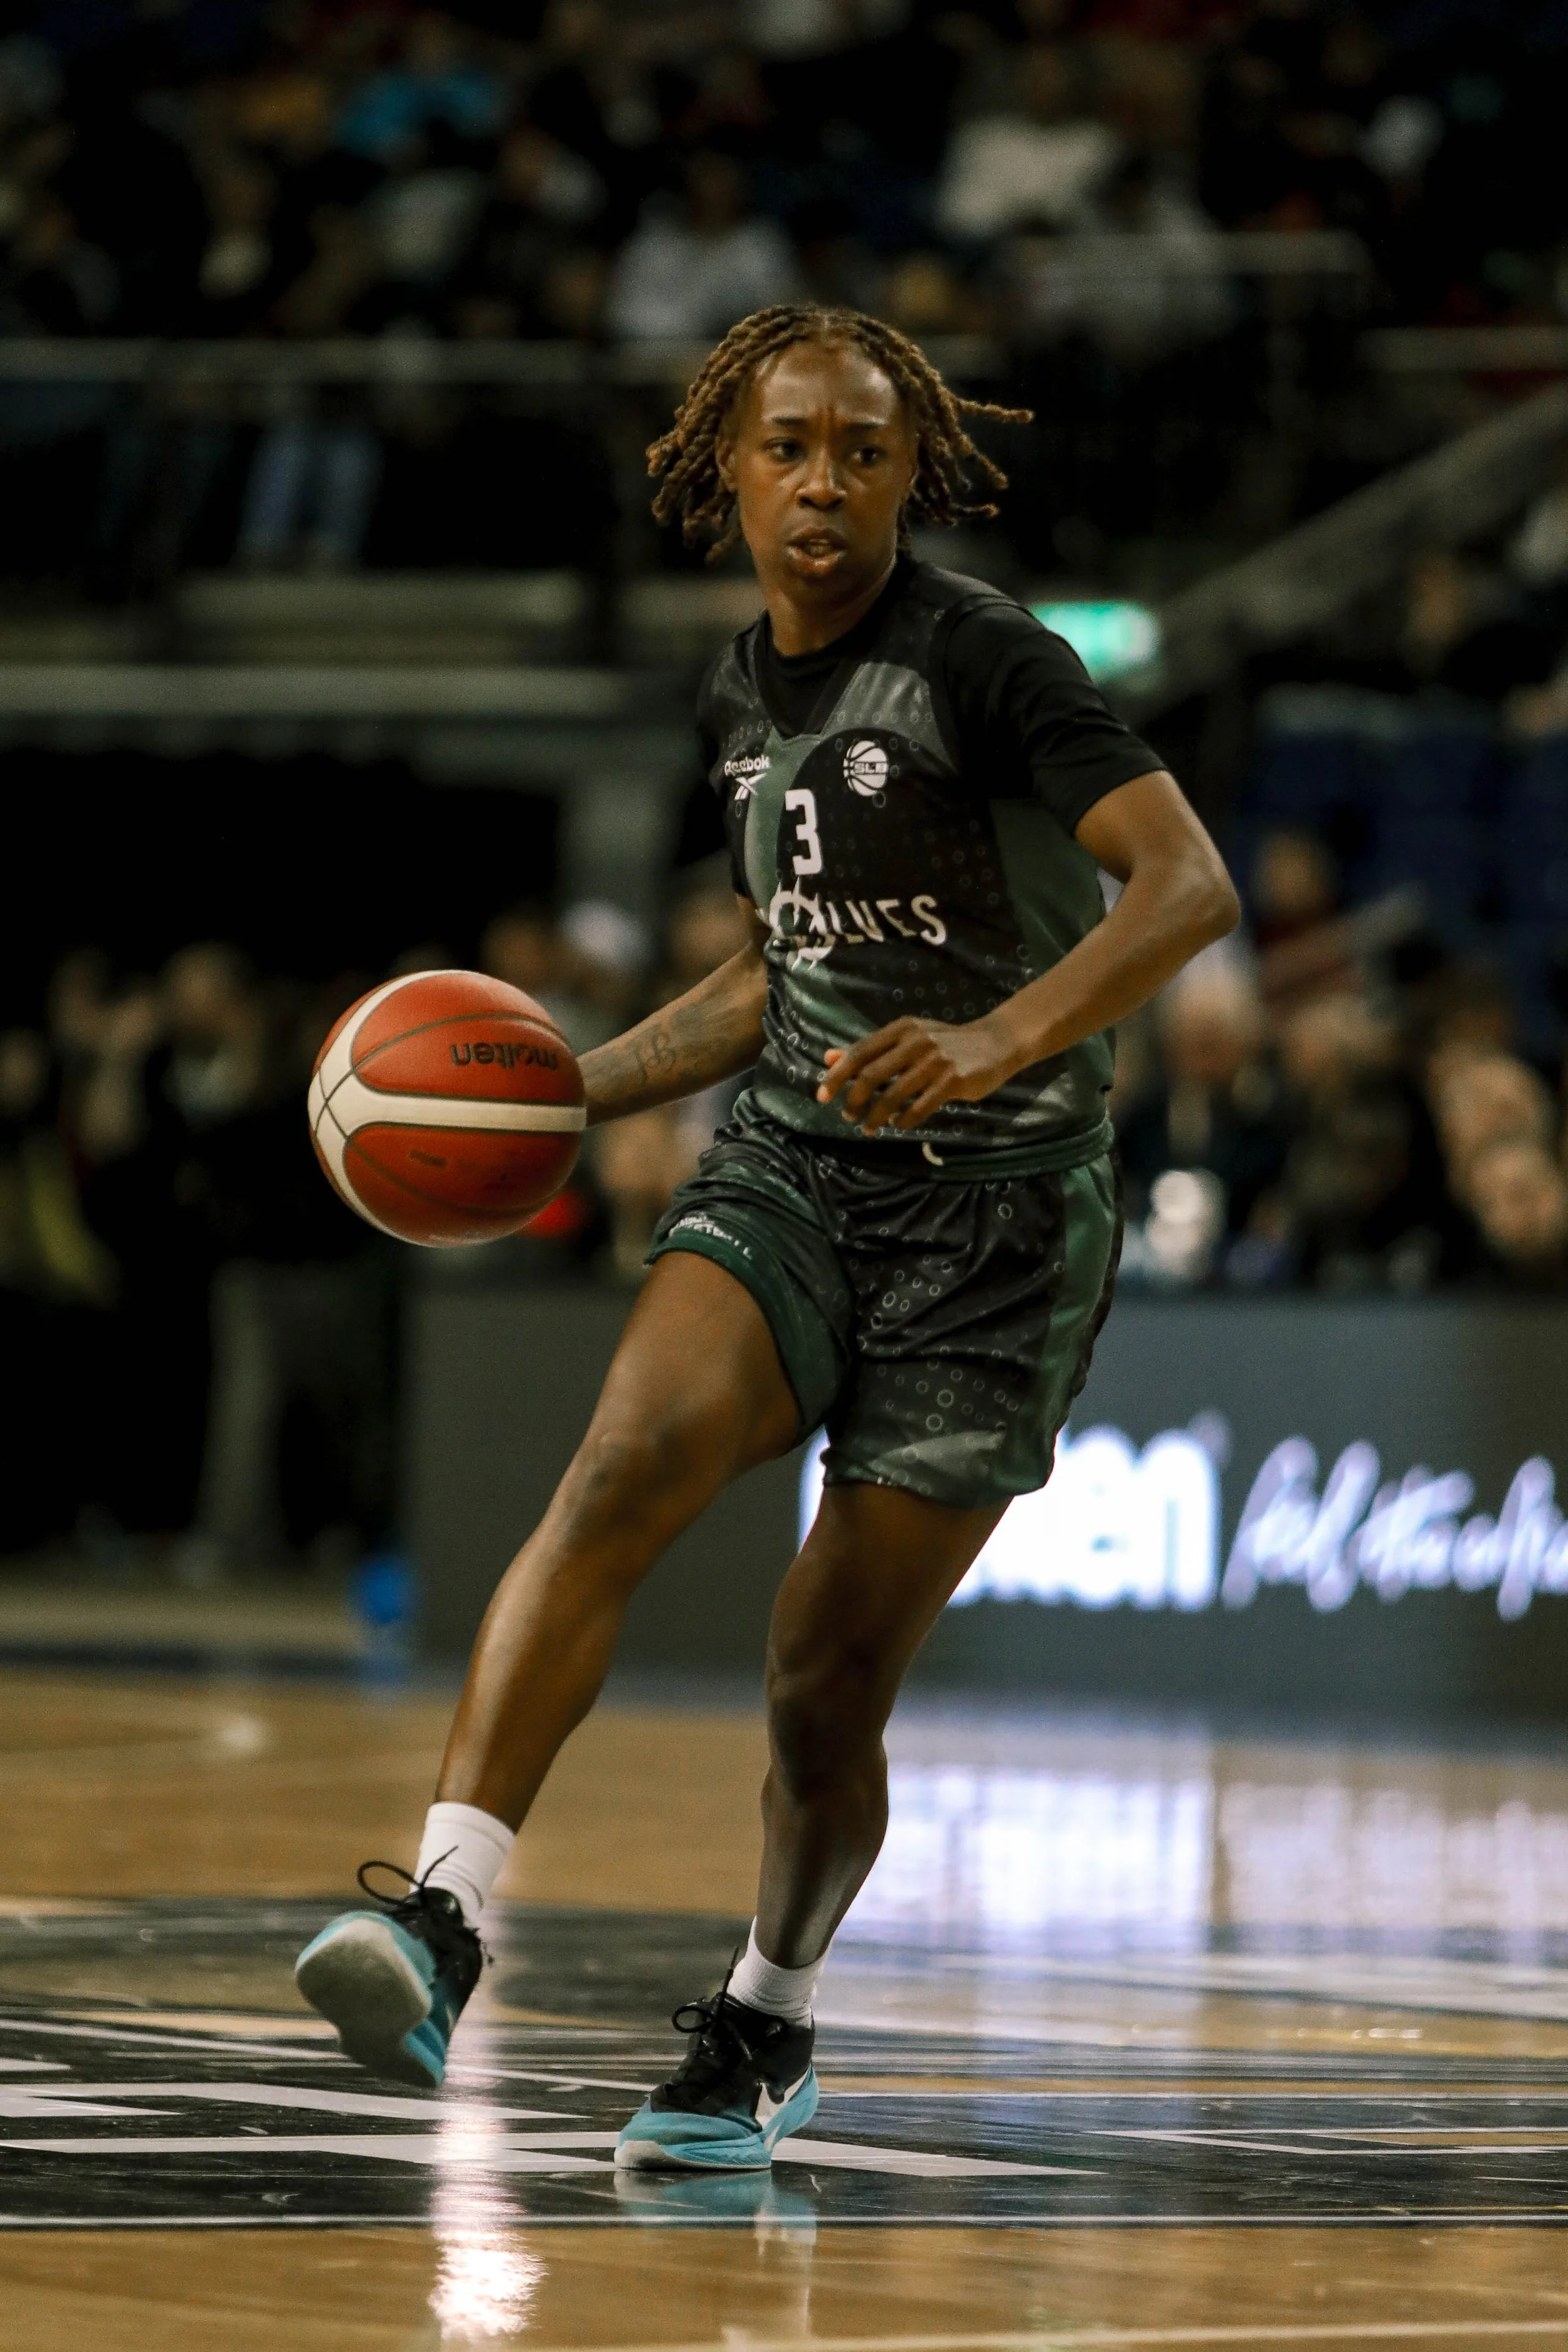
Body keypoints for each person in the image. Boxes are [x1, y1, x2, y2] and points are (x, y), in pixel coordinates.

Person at [294, 302, 1238, 2165]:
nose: (823, 481)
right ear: (725, 466)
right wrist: (576, 1084)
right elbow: (772, 968)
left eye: (863, 452)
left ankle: (764, 2020)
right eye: (789, 445)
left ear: (911, 476)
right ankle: (441, 1909)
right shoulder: (737, 691)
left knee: (822, 1681)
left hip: (999, 1231)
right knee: (623, 1461)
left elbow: (1183, 880)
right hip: (794, 1169)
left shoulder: (988, 662)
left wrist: (989, 1036)